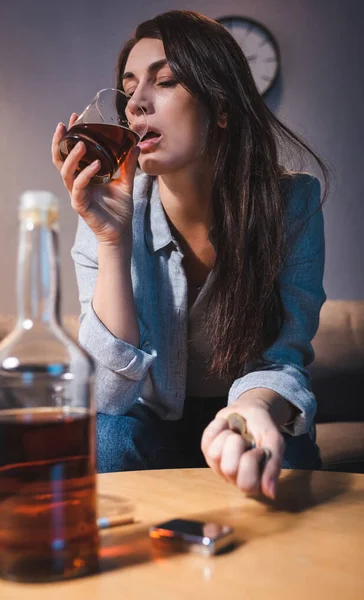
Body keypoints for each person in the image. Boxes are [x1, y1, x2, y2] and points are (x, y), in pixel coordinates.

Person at [51, 10, 328, 500]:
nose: (135, 104)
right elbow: (109, 398)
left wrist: (254, 411)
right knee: (108, 436)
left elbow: (284, 359)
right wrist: (112, 241)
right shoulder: (105, 208)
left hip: (240, 418)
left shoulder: (291, 206)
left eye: (166, 81)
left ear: (220, 106)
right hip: (149, 429)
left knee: (287, 451)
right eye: (129, 87)